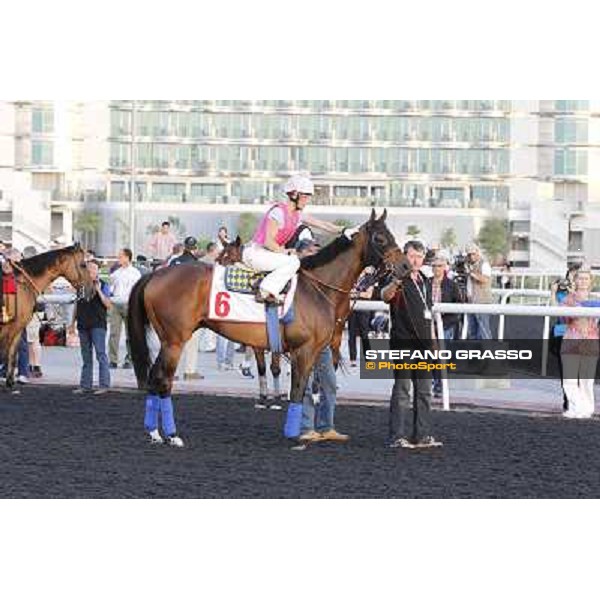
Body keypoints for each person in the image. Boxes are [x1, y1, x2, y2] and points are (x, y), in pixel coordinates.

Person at [241, 174, 356, 304]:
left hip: (268, 255)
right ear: (294, 195)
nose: (307, 201)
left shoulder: (297, 215)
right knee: (294, 262)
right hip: (255, 253)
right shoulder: (278, 213)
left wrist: (344, 230)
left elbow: (323, 225)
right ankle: (264, 291)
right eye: (305, 197)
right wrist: (286, 252)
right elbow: (268, 242)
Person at [381, 240, 442, 449]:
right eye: (412, 255)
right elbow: (384, 296)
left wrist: (434, 344)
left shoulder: (425, 280)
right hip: (403, 342)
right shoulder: (398, 278)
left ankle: (422, 435)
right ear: (405, 256)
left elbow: (429, 315)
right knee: (402, 389)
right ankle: (397, 436)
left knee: (424, 390)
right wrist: (396, 281)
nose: (416, 260)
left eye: (419, 256)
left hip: (424, 345)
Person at [296, 239, 349, 444]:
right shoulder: (294, 279)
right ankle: (306, 427)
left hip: (322, 338)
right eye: (310, 252)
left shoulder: (321, 281)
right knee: (307, 384)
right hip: (303, 340)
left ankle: (326, 426)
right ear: (300, 254)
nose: (315, 256)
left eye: (316, 252)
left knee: (330, 383)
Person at [560, 267, 599, 419]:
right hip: (571, 340)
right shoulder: (568, 300)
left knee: (586, 379)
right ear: (575, 280)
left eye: (586, 278)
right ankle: (574, 407)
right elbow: (563, 318)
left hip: (590, 341)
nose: (582, 281)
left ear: (590, 282)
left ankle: (587, 408)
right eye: (580, 278)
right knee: (569, 379)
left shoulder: (596, 299)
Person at [73, 260, 112, 394]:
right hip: (83, 324)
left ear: (97, 272)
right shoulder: (80, 286)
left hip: (98, 324)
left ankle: (104, 385)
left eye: (93, 270)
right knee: (86, 356)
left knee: (101, 354)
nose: (90, 273)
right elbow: (76, 305)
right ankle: (85, 385)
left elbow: (108, 304)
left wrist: (99, 290)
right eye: (88, 270)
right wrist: (72, 323)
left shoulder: (104, 285)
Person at [430, 252, 465, 398]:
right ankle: (434, 382)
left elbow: (458, 305)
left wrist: (448, 321)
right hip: (429, 325)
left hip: (446, 324)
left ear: (444, 267)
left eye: (439, 266)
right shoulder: (427, 282)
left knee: (442, 356)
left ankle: (439, 385)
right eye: (434, 266)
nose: (437, 269)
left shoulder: (452, 285)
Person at [170, 237, 204, 381]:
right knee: (192, 340)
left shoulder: (174, 262)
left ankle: (172, 372)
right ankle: (190, 371)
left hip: (174, 306)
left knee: (173, 341)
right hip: (191, 307)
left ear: (184, 247)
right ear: (195, 248)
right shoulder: (197, 265)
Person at [550, 265, 580, 411]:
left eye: (575, 278)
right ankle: (567, 401)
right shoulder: (561, 295)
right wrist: (553, 292)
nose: (571, 281)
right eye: (569, 278)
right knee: (565, 371)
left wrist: (574, 293)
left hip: (579, 335)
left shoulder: (583, 295)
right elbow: (555, 310)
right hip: (562, 333)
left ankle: (577, 401)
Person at [108, 248, 141, 369]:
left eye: (121, 257)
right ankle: (112, 359)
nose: (119, 259)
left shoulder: (135, 273)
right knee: (114, 333)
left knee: (130, 334)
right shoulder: (116, 273)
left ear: (128, 257)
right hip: (116, 304)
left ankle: (130, 359)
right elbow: (110, 288)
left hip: (129, 304)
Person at [348, 266, 376, 368]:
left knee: (365, 334)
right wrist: (359, 293)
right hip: (352, 307)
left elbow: (368, 295)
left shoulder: (369, 278)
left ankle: (369, 359)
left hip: (364, 308)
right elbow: (347, 293)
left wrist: (354, 293)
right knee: (351, 334)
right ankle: (352, 358)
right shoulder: (352, 275)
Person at [22, 246, 43, 378]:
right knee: (32, 339)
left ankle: (35, 366)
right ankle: (32, 365)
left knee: (32, 339)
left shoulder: (32, 271)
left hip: (33, 309)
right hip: (35, 308)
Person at [465, 242, 492, 340]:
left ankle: (489, 353)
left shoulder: (484, 264)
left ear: (478, 253)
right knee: (472, 331)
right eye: (469, 255)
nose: (471, 257)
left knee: (484, 331)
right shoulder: (468, 265)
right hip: (470, 302)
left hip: (482, 302)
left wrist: (472, 274)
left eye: (473, 254)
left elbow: (485, 280)